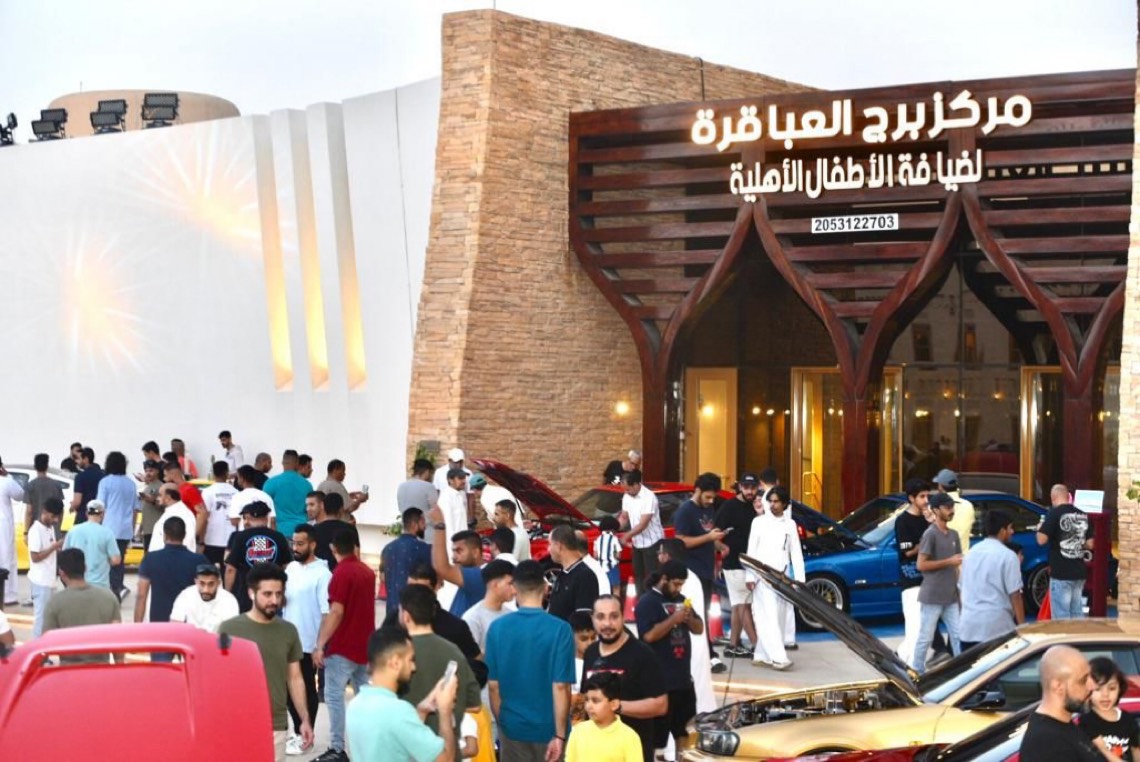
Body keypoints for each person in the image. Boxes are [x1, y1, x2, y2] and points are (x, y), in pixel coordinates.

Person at [219, 563, 314, 761]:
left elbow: (295, 678)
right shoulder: (228, 629)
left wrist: (304, 719)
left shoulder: (288, 631)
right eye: (267, 594)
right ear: (251, 593)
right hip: (235, 723)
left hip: (275, 724)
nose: (274, 600)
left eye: (279, 594)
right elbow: (217, 678)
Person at [485, 560, 575, 762]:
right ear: (545, 588)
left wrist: (504, 724)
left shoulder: (497, 629)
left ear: (515, 588)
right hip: (550, 729)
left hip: (513, 728)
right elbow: (561, 686)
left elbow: (493, 686)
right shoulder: (560, 629)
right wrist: (560, 735)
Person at [346, 624, 459, 762]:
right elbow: (446, 760)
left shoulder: (356, 704)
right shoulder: (399, 711)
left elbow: (394, 738)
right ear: (395, 663)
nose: (413, 667)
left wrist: (421, 711)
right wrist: (445, 710)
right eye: (411, 660)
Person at [313, 529, 377, 762]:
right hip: (365, 645)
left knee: (334, 696)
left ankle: (337, 747)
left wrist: (320, 644)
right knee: (364, 696)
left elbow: (336, 612)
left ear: (334, 549)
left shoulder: (340, 573)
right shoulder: (367, 572)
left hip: (342, 646)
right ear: (354, 547)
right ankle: (368, 744)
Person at [398, 584, 483, 754]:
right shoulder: (454, 652)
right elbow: (475, 704)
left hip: (407, 750)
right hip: (445, 748)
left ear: (406, 616)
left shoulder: (396, 653)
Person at [581, 594, 666, 762]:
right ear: (593, 619)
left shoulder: (643, 654)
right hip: (595, 752)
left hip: (633, 753)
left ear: (623, 617)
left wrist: (617, 707)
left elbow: (661, 705)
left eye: (614, 616)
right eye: (600, 617)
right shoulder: (591, 652)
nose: (607, 624)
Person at [381, 563, 487, 689]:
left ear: (436, 587)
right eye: (410, 588)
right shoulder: (394, 619)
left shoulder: (455, 627)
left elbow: (477, 667)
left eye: (422, 590)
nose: (414, 595)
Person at [635, 560, 702, 755]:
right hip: (660, 682)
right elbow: (648, 636)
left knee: (685, 731)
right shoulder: (647, 602)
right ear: (664, 579)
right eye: (676, 584)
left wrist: (689, 619)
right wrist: (673, 619)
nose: (678, 588)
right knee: (657, 737)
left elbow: (699, 629)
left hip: (683, 680)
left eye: (681, 584)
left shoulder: (681, 599)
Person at [283, 523, 332, 756]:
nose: (296, 547)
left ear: (313, 545)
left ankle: (306, 736)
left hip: (308, 642)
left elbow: (326, 613)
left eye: (300, 544)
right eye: (294, 543)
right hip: (287, 639)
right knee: (288, 689)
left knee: (307, 690)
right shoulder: (291, 568)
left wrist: (319, 646)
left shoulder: (323, 574)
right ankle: (298, 732)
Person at [745, 485, 804, 671]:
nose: (773, 505)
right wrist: (749, 576)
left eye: (776, 501)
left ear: (785, 503)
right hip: (761, 577)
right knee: (768, 617)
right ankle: (779, 658)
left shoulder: (790, 524)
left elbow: (796, 553)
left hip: (783, 577)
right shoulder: (758, 522)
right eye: (770, 501)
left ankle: (761, 655)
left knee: (777, 618)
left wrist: (799, 580)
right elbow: (751, 550)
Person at [656, 538, 716, 710]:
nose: (658, 557)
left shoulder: (683, 580)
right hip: (688, 638)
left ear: (667, 556)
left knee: (694, 684)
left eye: (660, 553)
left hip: (688, 639)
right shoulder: (688, 576)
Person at [1018, 645, 1102, 760]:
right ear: (1058, 686)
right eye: (1083, 680)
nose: (1093, 686)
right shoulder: (1046, 744)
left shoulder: (1063, 726)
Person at [911, 492, 963, 672]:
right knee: (925, 637)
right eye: (947, 507)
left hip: (951, 596)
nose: (951, 510)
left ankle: (964, 673)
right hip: (932, 596)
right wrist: (948, 562)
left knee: (958, 636)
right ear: (935, 510)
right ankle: (916, 672)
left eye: (952, 507)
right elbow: (921, 565)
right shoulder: (930, 534)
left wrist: (959, 592)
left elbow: (956, 567)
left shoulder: (954, 535)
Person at [959, 509, 1025, 651]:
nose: (1012, 532)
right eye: (1010, 528)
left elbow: (961, 589)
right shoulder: (1008, 556)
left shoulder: (970, 553)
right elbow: (1015, 595)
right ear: (1002, 531)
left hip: (968, 628)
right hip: (997, 629)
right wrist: (1022, 628)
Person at [43, 548, 122, 663]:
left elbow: (46, 644)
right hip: (100, 668)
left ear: (61, 573)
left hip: (69, 670)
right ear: (85, 568)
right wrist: (119, 664)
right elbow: (117, 639)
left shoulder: (55, 602)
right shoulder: (108, 597)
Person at [713, 472, 761, 658]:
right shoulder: (729, 507)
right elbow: (715, 534)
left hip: (751, 563)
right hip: (733, 563)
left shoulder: (757, 507)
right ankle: (757, 646)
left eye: (753, 488)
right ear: (740, 487)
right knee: (743, 605)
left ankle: (733, 645)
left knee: (737, 605)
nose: (749, 491)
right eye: (746, 487)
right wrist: (721, 550)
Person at [135, 518, 212, 632]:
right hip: (189, 623)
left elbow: (141, 595)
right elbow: (209, 593)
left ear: (165, 535)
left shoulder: (151, 559)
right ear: (184, 535)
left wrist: (137, 628)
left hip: (159, 622)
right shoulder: (199, 560)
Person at [224, 501, 292, 612]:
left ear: (249, 517)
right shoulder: (278, 537)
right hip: (274, 595)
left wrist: (227, 594)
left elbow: (231, 569)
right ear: (267, 517)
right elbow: (287, 567)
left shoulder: (241, 537)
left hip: (247, 595)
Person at [1037, 483, 1092, 620]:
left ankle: (1064, 636)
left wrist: (1039, 528)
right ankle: (1078, 635)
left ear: (1053, 498)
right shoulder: (1082, 514)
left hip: (1061, 572)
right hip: (1079, 572)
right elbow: (1091, 544)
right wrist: (1077, 542)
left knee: (1061, 617)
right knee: (1077, 613)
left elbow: (1041, 540)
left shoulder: (1054, 514)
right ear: (1068, 496)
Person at [566, 672, 643, 762]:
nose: (589, 706)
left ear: (614, 704)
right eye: (587, 700)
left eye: (595, 701)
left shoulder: (630, 738)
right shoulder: (578, 731)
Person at [895, 478, 932, 663]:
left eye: (927, 496)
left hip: (929, 580)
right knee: (915, 628)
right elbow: (907, 551)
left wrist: (933, 524)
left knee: (925, 630)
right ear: (911, 498)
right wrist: (924, 543)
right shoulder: (902, 521)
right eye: (922, 496)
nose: (926, 500)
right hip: (911, 581)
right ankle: (911, 665)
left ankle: (903, 658)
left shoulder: (928, 519)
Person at [1078, 657, 1140, 760]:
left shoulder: (1128, 720)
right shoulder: (1087, 721)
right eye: (1098, 689)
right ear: (1087, 689)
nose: (1105, 694)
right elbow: (1104, 751)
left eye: (1112, 688)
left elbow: (1136, 750)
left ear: (1120, 688)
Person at [429, 506, 486, 617]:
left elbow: (441, 568)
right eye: (453, 551)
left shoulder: (479, 576)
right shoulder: (469, 576)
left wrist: (439, 525)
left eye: (459, 551)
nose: (454, 557)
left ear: (475, 552)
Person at [97, 451, 139, 599]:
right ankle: (118, 587)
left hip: (108, 527)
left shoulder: (105, 482)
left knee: (106, 561)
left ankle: (111, 589)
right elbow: (135, 509)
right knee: (119, 560)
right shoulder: (131, 484)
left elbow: (100, 506)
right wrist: (132, 528)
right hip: (125, 529)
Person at [382, 507, 434, 616]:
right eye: (423, 522)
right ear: (415, 524)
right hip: (415, 613)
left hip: (391, 612)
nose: (425, 526)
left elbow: (382, 578)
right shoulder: (424, 549)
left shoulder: (387, 549)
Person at [618, 470, 663, 596]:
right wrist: (614, 528)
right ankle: (641, 600)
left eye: (628, 489)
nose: (626, 492)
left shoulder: (649, 497)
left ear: (636, 484)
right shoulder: (627, 496)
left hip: (652, 542)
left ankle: (653, 601)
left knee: (652, 576)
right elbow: (624, 517)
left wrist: (627, 535)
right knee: (638, 574)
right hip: (637, 542)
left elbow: (643, 524)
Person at [63, 498, 122, 590]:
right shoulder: (107, 533)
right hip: (100, 585)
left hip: (76, 583)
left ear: (87, 513)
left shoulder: (73, 530)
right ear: (102, 514)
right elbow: (116, 560)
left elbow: (64, 556)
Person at [461, 559, 516, 654]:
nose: (514, 590)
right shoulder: (473, 618)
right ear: (495, 585)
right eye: (510, 583)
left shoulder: (511, 615)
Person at [27, 497, 64, 636]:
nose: (55, 520)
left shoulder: (50, 528)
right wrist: (54, 547)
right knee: (41, 620)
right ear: (44, 511)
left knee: (49, 620)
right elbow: (35, 557)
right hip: (40, 582)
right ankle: (38, 647)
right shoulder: (35, 530)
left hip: (50, 581)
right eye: (53, 516)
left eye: (57, 517)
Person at [548, 525, 600, 621]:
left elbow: (584, 619)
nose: (548, 549)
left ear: (559, 546)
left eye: (550, 544)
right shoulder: (564, 574)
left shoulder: (584, 576)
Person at [169, 562, 239, 633]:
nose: (206, 590)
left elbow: (231, 631)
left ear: (218, 583)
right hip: (191, 637)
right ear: (196, 582)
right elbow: (175, 625)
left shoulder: (229, 600)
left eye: (211, 584)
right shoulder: (185, 595)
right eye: (202, 583)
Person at [263, 450, 312, 539]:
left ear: (282, 463)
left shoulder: (271, 483)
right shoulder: (307, 485)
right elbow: (310, 510)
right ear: (297, 463)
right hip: (301, 532)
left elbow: (263, 508)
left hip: (279, 532)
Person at [202, 460, 238, 568]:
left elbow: (204, 516)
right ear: (227, 473)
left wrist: (201, 538)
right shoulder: (236, 492)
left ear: (213, 473)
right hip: (231, 539)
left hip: (212, 538)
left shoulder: (207, 492)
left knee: (212, 571)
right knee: (228, 570)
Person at [931, 469, 975, 555]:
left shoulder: (935, 506)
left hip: (942, 559)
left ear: (940, 486)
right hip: (962, 559)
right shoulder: (968, 506)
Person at [150, 484, 203, 553]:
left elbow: (188, 540)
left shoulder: (183, 513)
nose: (157, 498)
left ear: (168, 497)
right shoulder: (173, 511)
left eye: (160, 495)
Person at [22, 453, 64, 540]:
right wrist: (58, 527)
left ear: (35, 467)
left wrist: (26, 532)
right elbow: (61, 510)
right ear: (47, 466)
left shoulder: (30, 486)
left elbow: (29, 511)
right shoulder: (56, 485)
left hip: (36, 530)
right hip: (53, 529)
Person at [163, 460, 207, 541]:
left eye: (165, 475)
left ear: (173, 474)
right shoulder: (175, 490)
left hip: (186, 534)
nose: (164, 479)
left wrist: (193, 535)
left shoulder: (189, 489)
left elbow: (202, 513)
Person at [313, 492, 357, 571]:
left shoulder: (315, 529)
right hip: (344, 571)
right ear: (341, 509)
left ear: (323, 508)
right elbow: (356, 554)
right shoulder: (350, 528)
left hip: (320, 571)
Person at [398, 459, 439, 542]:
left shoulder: (401, 486)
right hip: (425, 532)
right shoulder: (429, 487)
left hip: (406, 530)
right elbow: (435, 510)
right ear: (427, 472)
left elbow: (400, 507)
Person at [0, 458, 21, 605]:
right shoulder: (6, 482)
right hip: (3, 525)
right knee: (7, 558)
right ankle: (8, 596)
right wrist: (7, 475)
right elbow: (20, 495)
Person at [231, 465, 278, 530]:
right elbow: (272, 520)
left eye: (238, 477)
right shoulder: (266, 496)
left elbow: (234, 521)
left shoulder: (237, 497)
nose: (237, 480)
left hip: (245, 534)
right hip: (264, 534)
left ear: (242, 479)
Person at [71, 447, 104, 524]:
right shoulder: (103, 476)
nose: (76, 461)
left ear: (86, 459)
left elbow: (77, 502)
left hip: (83, 516)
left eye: (78, 459)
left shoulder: (80, 477)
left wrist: (72, 507)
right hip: (99, 518)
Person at [138, 460, 165, 551]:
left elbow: (165, 506)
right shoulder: (147, 487)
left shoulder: (161, 487)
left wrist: (153, 501)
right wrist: (140, 528)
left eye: (151, 471)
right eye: (146, 471)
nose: (148, 473)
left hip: (156, 529)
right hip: (147, 529)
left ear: (157, 471)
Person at [438, 468, 470, 543]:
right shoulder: (446, 497)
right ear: (451, 480)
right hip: (454, 542)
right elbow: (448, 525)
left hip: (463, 540)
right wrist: (453, 545)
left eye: (464, 478)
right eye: (460, 478)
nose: (464, 481)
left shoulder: (461, 494)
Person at [569, 609, 596, 696]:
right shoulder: (566, 664)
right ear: (571, 637)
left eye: (593, 638)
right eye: (584, 639)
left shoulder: (600, 663)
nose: (590, 643)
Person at [593, 516, 622, 595]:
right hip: (612, 567)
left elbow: (595, 556)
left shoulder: (597, 539)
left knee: (603, 588)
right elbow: (618, 555)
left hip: (601, 568)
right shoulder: (614, 539)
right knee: (616, 588)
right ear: (613, 529)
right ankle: (616, 601)